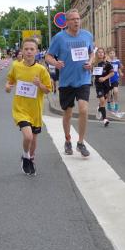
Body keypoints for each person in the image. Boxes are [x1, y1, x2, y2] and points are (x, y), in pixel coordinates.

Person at [45, 8, 94, 157]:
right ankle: (67, 140)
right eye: (73, 19)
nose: (76, 21)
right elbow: (48, 56)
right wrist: (55, 63)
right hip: (66, 81)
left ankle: (81, 142)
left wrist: (90, 62)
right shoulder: (59, 38)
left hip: (83, 79)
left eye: (78, 19)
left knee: (83, 109)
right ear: (67, 22)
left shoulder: (87, 35)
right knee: (68, 113)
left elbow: (92, 52)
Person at [6, 38, 52, 176]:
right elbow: (10, 81)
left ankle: (30, 158)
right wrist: (7, 87)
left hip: (35, 110)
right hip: (20, 109)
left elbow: (48, 90)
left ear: (36, 51)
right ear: (22, 50)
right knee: (28, 136)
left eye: (32, 49)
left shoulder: (41, 70)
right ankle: (26, 156)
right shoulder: (16, 66)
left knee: (34, 139)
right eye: (26, 49)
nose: (29, 52)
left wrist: (39, 85)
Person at [92, 47, 115, 127]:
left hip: (106, 85)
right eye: (99, 52)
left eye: (102, 52)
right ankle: (105, 119)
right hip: (98, 85)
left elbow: (112, 73)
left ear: (104, 54)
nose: (101, 53)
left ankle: (99, 108)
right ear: (96, 54)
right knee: (102, 100)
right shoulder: (94, 63)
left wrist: (104, 78)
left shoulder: (107, 63)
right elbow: (90, 72)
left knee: (102, 102)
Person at [107, 47, 123, 114]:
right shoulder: (107, 61)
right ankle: (109, 103)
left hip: (115, 78)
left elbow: (119, 68)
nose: (112, 54)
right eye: (110, 53)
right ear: (108, 54)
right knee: (109, 93)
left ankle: (116, 104)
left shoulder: (117, 61)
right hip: (108, 79)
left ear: (115, 54)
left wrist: (120, 72)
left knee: (115, 91)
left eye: (113, 53)